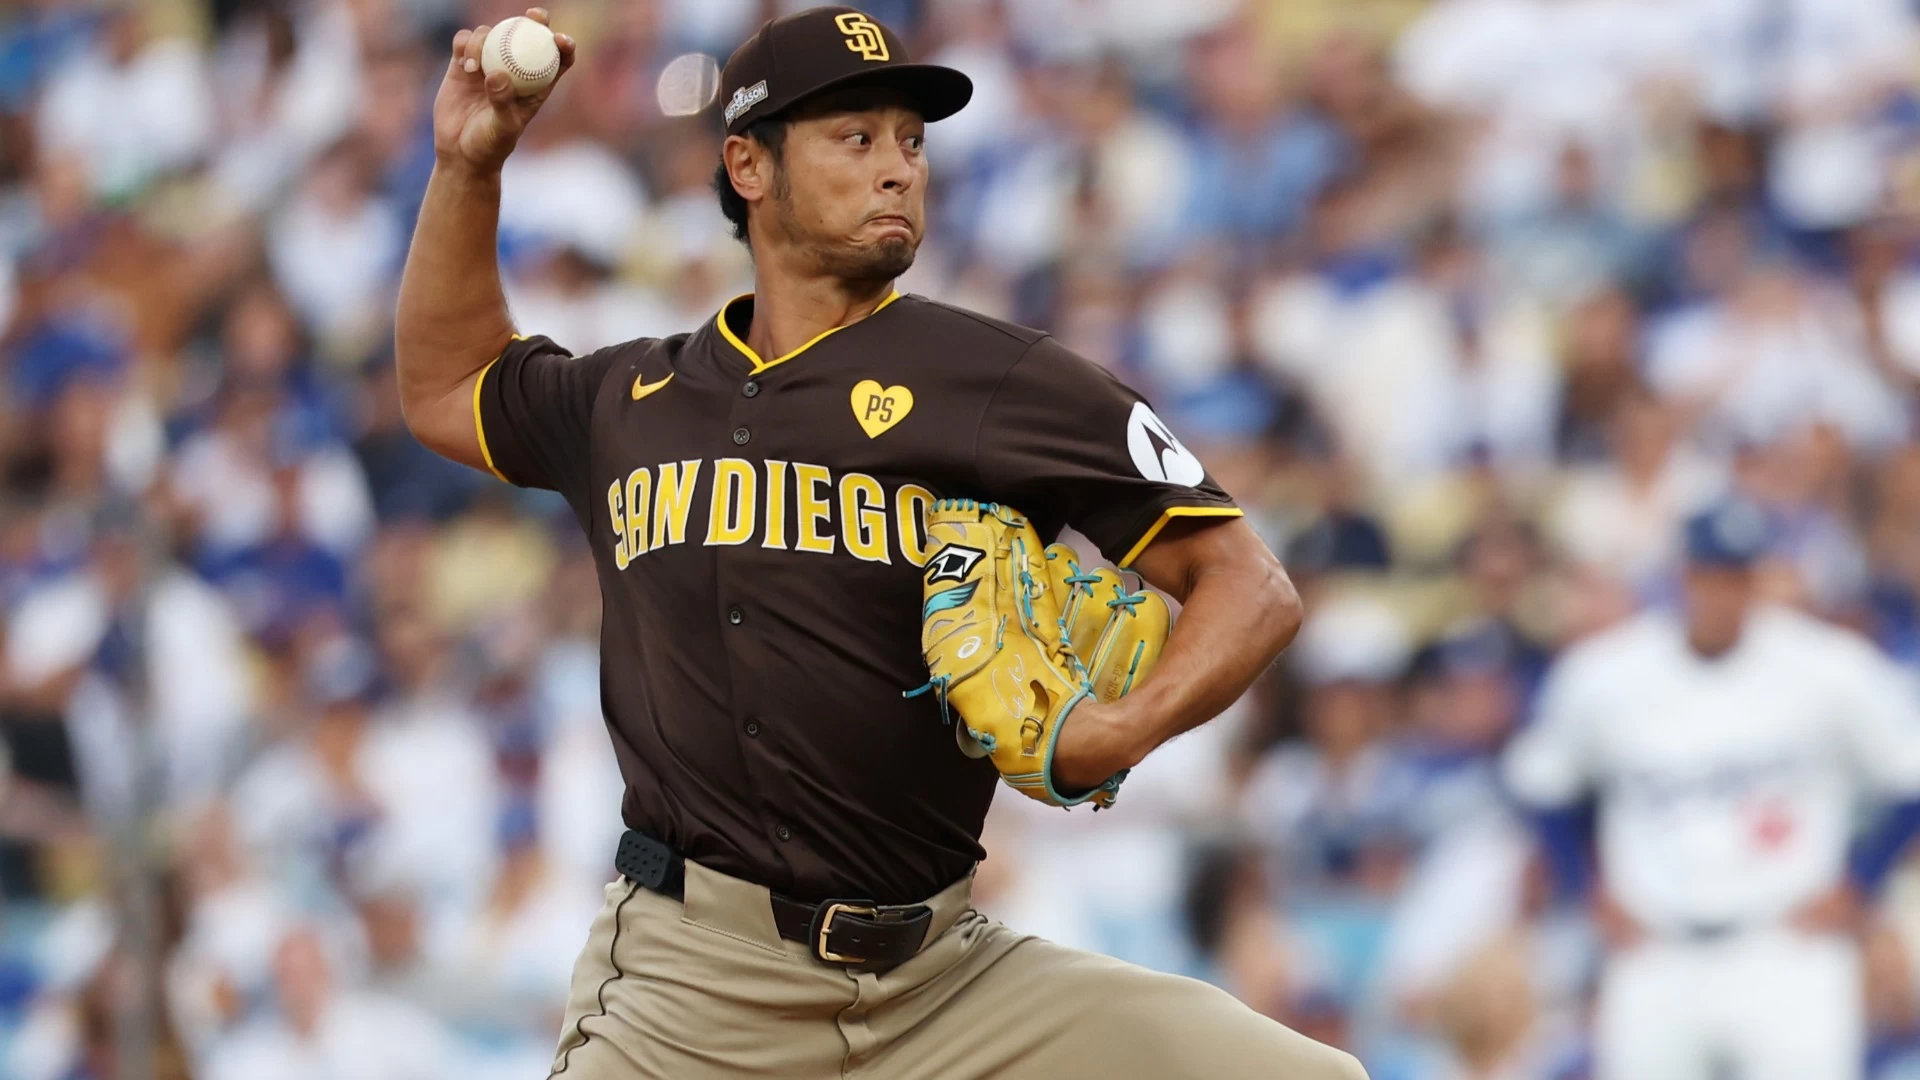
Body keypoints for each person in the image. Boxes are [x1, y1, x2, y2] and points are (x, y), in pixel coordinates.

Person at [392, 6, 1364, 1078]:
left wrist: (1113, 731)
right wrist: (465, 165)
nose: (899, 168)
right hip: (694, 988)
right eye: (856, 139)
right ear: (747, 167)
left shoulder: (998, 379)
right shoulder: (632, 398)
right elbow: (446, 385)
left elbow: (1249, 585)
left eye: (912, 141)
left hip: (945, 981)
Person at [1503, 499, 1920, 1080]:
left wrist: (1860, 882)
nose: (1723, 591)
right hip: (1656, 950)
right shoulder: (1609, 673)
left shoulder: (1826, 667)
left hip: (1786, 948)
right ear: (1684, 576)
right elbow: (1541, 782)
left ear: (1758, 578)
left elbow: (1909, 774)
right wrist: (1584, 886)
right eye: (1710, 574)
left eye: (1738, 575)